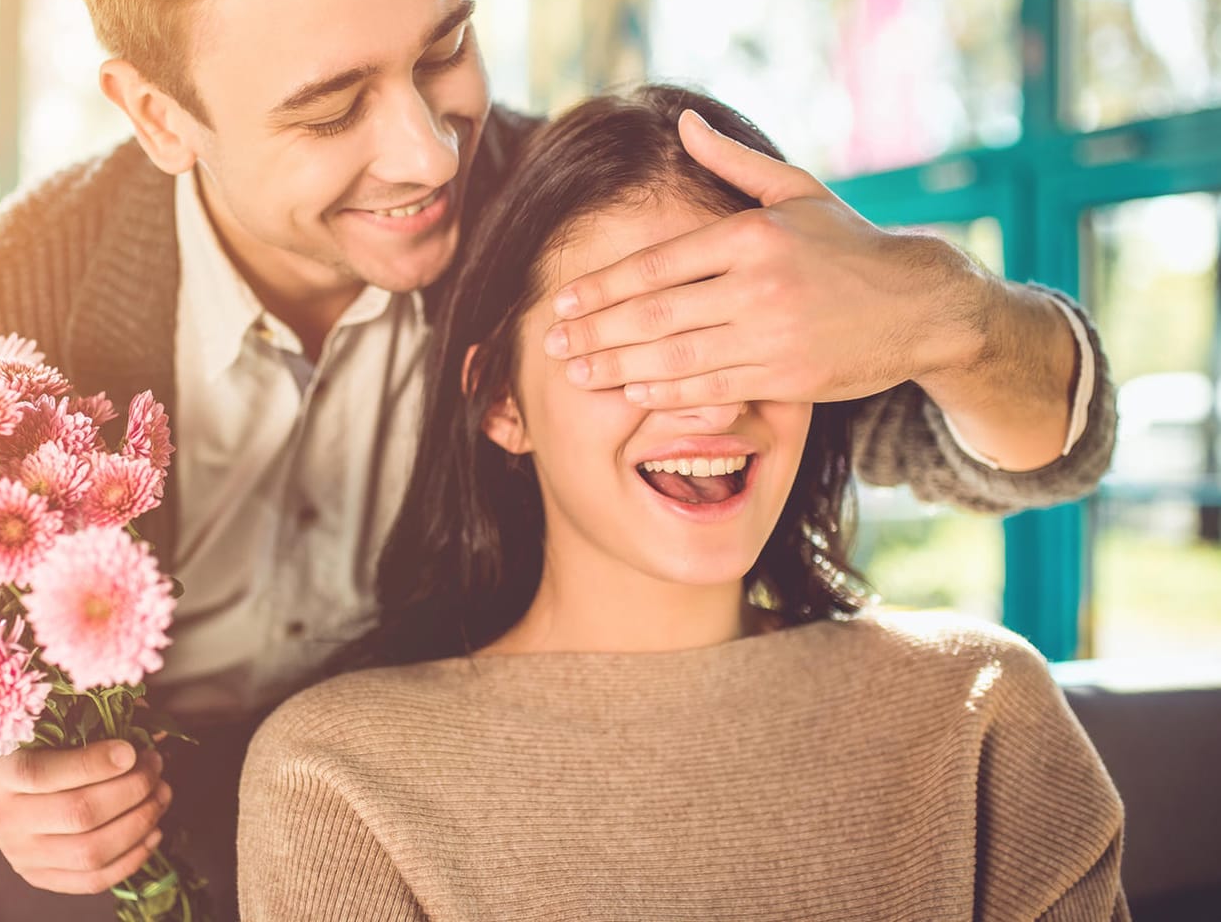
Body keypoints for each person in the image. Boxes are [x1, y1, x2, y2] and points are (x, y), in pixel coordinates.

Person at [0, 0, 1116, 919]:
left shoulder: (567, 223)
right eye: (329, 107)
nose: (427, 154)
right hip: (26, 879)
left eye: (445, 49)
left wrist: (946, 314)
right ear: (157, 112)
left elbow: (1008, 441)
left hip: (396, 847)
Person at [236, 85, 1128, 921]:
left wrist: (940, 299)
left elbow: (1055, 431)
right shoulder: (336, 777)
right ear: (502, 402)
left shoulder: (979, 711)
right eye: (642, 344)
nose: (711, 406)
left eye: (745, 340)